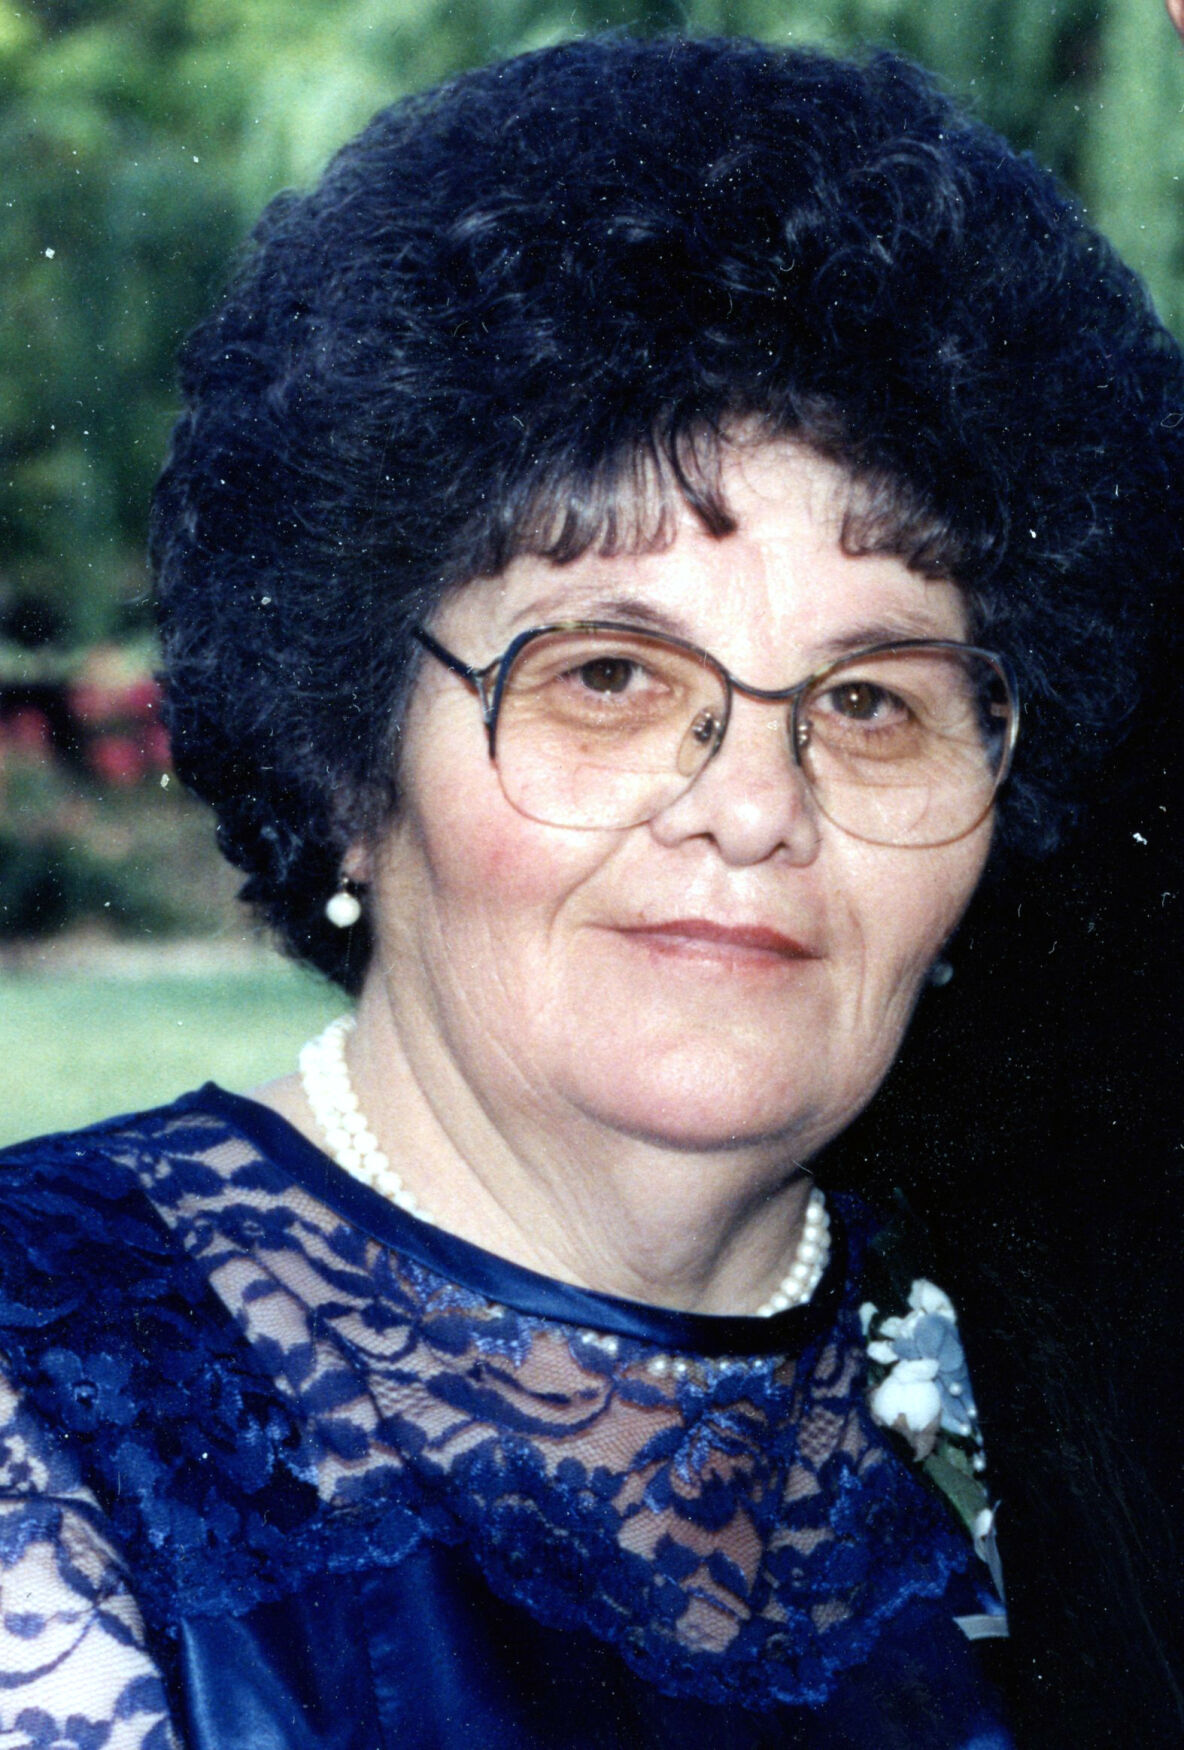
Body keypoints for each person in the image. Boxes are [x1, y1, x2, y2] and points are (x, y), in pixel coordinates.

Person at [1, 34, 1181, 1749]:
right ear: (348, 760)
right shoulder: (48, 1398)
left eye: (872, 700)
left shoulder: (1073, 1400)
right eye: (609, 677)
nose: (755, 808)